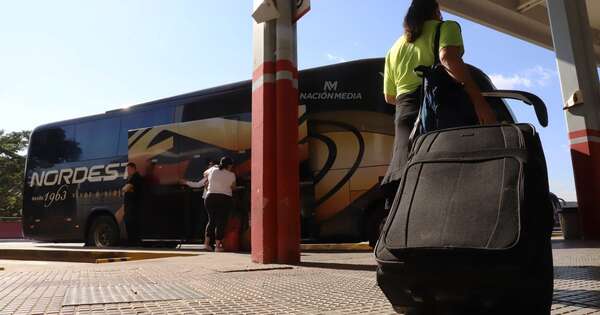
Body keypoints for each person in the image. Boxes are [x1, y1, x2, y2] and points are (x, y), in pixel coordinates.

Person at [381, 0, 497, 209]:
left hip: (404, 117)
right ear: (435, 11)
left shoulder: (394, 49)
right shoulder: (447, 27)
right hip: (438, 111)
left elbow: (389, 97)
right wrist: (479, 100)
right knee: (448, 180)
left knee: (407, 186)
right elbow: (448, 59)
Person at [183, 157, 236, 251]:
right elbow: (233, 187)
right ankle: (218, 246)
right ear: (229, 165)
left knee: (211, 220)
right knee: (221, 222)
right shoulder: (232, 175)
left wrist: (211, 180)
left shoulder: (213, 169)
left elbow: (204, 174)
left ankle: (206, 244)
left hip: (210, 197)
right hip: (224, 198)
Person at [121, 162, 143, 245]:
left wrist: (127, 188)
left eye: (128, 169)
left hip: (133, 207)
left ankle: (133, 242)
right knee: (131, 223)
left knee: (130, 223)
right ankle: (134, 241)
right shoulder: (133, 178)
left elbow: (124, 189)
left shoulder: (135, 177)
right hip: (132, 206)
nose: (128, 171)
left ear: (132, 168)